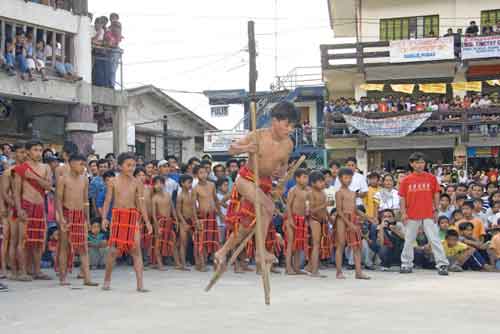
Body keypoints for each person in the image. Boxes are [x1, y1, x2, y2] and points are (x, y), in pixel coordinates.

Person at [215, 102, 297, 271]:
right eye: (287, 124)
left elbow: (283, 167)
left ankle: (222, 252)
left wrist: (280, 178)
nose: (289, 129)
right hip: (246, 179)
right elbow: (231, 149)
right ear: (275, 120)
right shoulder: (257, 135)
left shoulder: (288, 144)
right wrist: (246, 148)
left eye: (292, 126)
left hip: (264, 183)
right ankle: (260, 252)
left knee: (247, 226)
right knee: (268, 206)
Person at [101, 153, 152, 292]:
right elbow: (107, 201)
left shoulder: (137, 182)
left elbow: (141, 204)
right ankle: (107, 280)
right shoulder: (113, 181)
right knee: (113, 251)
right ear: (120, 166)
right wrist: (104, 218)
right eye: (128, 165)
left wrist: (147, 222)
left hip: (132, 216)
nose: (131, 168)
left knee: (136, 250)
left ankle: (140, 284)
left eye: (133, 165)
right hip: (118, 216)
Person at [399, 152, 449, 275]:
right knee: (409, 240)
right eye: (417, 162)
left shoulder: (431, 178)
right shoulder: (406, 180)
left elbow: (436, 194)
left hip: (428, 213)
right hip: (411, 214)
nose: (420, 165)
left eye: (422, 162)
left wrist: (436, 210)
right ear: (411, 164)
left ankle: (442, 264)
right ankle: (406, 264)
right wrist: (403, 213)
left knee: (434, 239)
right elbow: (402, 198)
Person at [55, 154, 98, 287]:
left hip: (80, 215)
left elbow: (86, 201)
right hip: (67, 213)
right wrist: (61, 218)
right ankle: (63, 277)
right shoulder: (63, 179)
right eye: (81, 164)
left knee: (83, 247)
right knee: (64, 246)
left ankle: (87, 278)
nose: (83, 167)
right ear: (71, 163)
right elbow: (58, 200)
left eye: (84, 164)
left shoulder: (84, 179)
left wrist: (88, 219)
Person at [13, 140, 53, 280]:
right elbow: (17, 192)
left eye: (40, 150)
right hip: (26, 205)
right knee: (23, 240)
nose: (38, 152)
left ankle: (37, 271)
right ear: (28, 151)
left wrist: (33, 177)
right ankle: (23, 272)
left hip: (41, 206)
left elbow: (49, 186)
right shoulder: (21, 168)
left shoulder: (46, 167)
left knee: (38, 240)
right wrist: (19, 209)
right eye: (35, 149)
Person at [335, 168, 372, 280]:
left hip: (353, 218)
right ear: (340, 179)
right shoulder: (339, 193)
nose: (348, 180)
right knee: (341, 245)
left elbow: (355, 209)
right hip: (342, 219)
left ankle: (358, 272)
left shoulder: (352, 193)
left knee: (357, 246)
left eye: (350, 178)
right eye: (346, 177)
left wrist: (368, 217)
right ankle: (339, 272)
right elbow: (339, 211)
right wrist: (349, 223)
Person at [1, 144, 26, 279]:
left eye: (25, 152)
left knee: (23, 240)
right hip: (14, 210)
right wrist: (16, 207)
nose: (24, 155)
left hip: (27, 208)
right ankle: (11, 270)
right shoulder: (8, 172)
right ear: (14, 154)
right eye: (21, 152)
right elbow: (4, 193)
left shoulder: (27, 170)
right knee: (12, 240)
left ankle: (23, 268)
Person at [192, 165, 220, 272]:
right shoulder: (195, 189)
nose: (203, 175)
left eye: (205, 172)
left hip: (212, 216)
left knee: (214, 240)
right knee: (201, 241)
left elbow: (216, 199)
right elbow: (193, 206)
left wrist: (220, 214)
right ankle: (202, 264)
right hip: (202, 217)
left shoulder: (212, 185)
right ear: (196, 175)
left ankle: (215, 264)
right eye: (200, 173)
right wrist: (196, 220)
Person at [284, 169, 310, 275]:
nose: (306, 179)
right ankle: (288, 268)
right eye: (304, 177)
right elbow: (288, 206)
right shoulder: (293, 190)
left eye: (307, 177)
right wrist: (290, 219)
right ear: (297, 178)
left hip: (302, 219)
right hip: (292, 218)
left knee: (299, 244)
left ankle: (296, 267)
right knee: (290, 244)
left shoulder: (308, 190)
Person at [151, 176, 177, 271]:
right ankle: (159, 264)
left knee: (172, 242)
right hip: (159, 222)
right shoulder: (154, 198)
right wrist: (157, 227)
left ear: (164, 184)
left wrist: (176, 219)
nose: (159, 185)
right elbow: (153, 215)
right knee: (158, 244)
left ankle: (177, 263)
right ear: (153, 186)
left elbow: (172, 208)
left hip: (169, 221)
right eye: (156, 183)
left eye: (160, 183)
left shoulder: (168, 195)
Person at [308, 170, 329, 277]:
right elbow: (311, 210)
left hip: (322, 220)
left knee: (318, 245)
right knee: (316, 245)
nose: (322, 184)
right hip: (314, 220)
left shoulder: (323, 193)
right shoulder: (311, 193)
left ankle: (311, 266)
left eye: (323, 181)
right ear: (312, 183)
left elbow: (325, 209)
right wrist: (324, 204)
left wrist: (329, 218)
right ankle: (314, 270)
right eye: (320, 182)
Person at [176, 174, 195, 270]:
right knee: (183, 243)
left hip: (191, 220)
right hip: (184, 220)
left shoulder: (192, 194)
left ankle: (193, 261)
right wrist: (183, 222)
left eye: (191, 182)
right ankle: (182, 264)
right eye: (188, 182)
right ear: (182, 183)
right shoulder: (180, 196)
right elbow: (178, 211)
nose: (190, 184)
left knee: (192, 242)